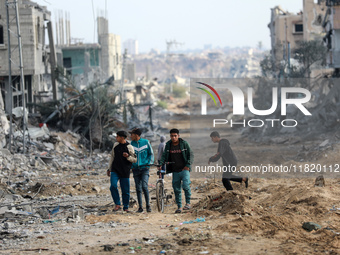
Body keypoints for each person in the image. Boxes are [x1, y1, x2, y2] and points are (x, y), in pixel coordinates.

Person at [158, 128, 193, 213]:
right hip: (175, 170)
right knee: (176, 189)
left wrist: (188, 165)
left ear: (178, 136)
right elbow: (164, 155)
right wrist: (161, 164)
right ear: (170, 136)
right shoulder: (168, 145)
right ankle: (179, 206)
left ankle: (188, 203)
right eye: (172, 136)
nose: (173, 137)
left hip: (184, 169)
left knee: (186, 186)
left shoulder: (184, 144)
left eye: (175, 136)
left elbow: (190, 155)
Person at [107, 130, 137, 212]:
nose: (116, 138)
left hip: (125, 171)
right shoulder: (115, 145)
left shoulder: (129, 147)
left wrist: (127, 156)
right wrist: (109, 168)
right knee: (113, 186)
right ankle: (117, 204)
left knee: (125, 190)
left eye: (117, 136)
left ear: (122, 137)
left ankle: (126, 207)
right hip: (115, 169)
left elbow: (134, 159)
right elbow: (112, 157)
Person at [130, 128, 154, 213]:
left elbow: (151, 154)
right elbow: (130, 157)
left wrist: (149, 164)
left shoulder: (146, 142)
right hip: (135, 169)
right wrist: (132, 166)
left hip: (145, 168)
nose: (130, 136)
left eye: (132, 134)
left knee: (144, 186)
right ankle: (140, 207)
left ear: (136, 135)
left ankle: (148, 205)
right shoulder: (131, 144)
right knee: (138, 188)